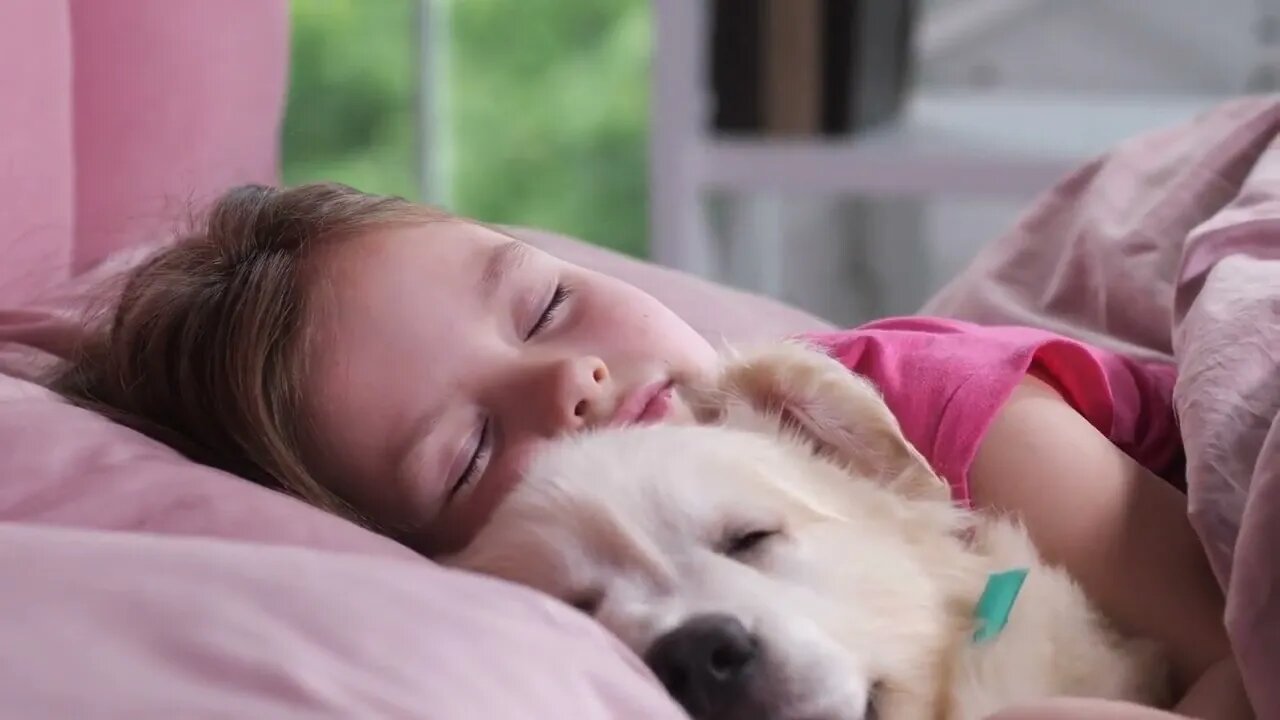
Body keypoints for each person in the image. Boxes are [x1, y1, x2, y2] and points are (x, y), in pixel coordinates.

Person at [53, 182, 1249, 720]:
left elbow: (1239, 638)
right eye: (468, 450)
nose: (566, 383)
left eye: (541, 307)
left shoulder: (910, 407)